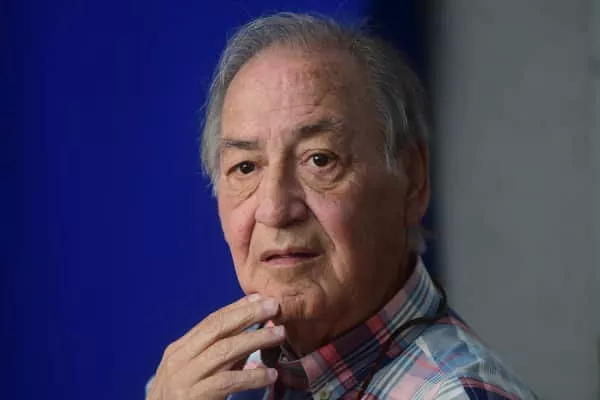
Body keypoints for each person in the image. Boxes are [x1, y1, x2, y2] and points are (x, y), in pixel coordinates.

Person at [146, 12, 537, 400]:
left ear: (412, 179)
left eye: (319, 160)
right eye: (246, 167)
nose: (275, 210)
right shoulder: (209, 383)